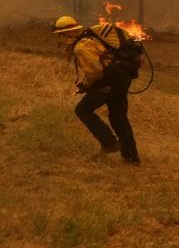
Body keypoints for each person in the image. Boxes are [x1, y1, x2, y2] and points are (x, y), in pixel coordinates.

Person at [53, 15, 140, 165]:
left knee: (83, 110)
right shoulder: (89, 39)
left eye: (60, 34)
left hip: (110, 81)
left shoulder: (81, 47)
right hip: (121, 79)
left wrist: (86, 86)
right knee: (118, 118)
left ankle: (108, 143)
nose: (60, 38)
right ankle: (131, 158)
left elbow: (96, 72)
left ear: (67, 34)